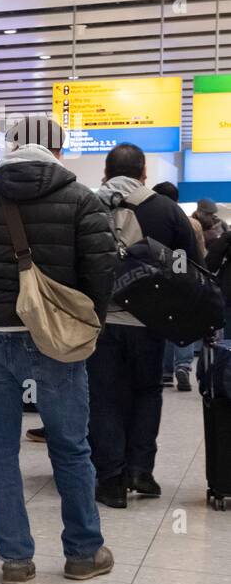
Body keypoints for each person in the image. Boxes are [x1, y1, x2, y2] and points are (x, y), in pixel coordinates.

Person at [0, 117, 117, 584]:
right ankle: (83, 553)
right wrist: (85, 323)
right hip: (58, 337)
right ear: (58, 152)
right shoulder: (81, 199)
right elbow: (101, 273)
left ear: (11, 146)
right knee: (71, 447)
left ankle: (16, 560)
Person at [88, 143, 202, 509]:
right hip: (150, 322)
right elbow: (190, 267)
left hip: (99, 323)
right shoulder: (167, 210)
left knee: (103, 397)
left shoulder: (86, 206)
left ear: (105, 172)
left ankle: (109, 481)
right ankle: (140, 471)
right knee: (146, 393)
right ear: (143, 174)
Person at [153, 181, 200, 391]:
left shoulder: (153, 218)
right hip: (184, 276)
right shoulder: (191, 222)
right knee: (184, 322)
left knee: (163, 324)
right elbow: (199, 252)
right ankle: (183, 365)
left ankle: (165, 372)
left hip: (159, 278)